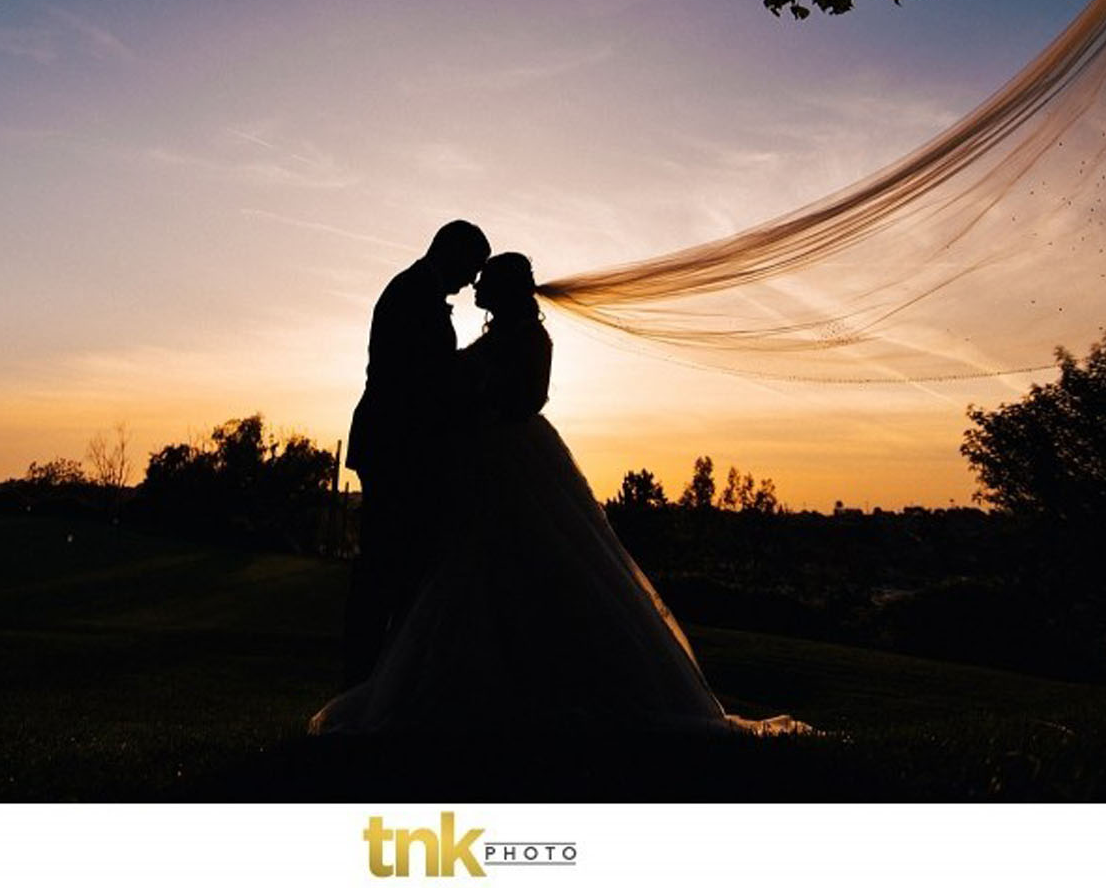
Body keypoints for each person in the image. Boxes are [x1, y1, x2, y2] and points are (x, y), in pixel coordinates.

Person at [315, 251, 808, 736]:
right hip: (474, 460)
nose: (475, 287)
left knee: (522, 562)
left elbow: (528, 398)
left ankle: (537, 686)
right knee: (469, 567)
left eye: (485, 279)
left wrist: (478, 403)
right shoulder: (473, 323)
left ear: (503, 289)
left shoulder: (531, 337)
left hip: (511, 458)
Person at [340, 219, 491, 685]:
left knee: (399, 565)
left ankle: (382, 678)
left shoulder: (418, 291)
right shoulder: (411, 295)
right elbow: (420, 379)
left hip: (400, 443)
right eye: (471, 268)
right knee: (385, 564)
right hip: (395, 445)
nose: (471, 283)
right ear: (451, 252)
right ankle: (364, 679)